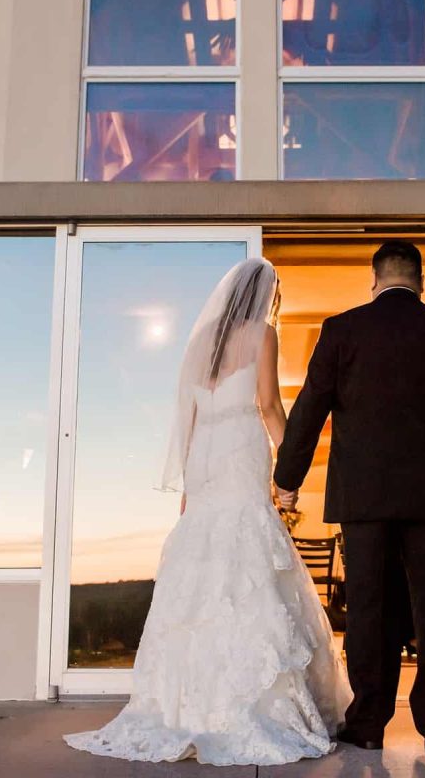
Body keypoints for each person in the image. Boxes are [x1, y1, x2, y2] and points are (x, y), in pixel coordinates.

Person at [63, 257, 352, 765]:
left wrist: (187, 494)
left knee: (202, 557)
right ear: (264, 296)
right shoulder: (262, 335)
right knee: (250, 556)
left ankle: (187, 702)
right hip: (241, 448)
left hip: (205, 459)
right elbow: (268, 406)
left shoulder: (199, 345)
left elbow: (188, 421)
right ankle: (247, 703)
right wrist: (292, 470)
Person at [274, 241, 425, 752]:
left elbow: (310, 408)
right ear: (420, 281)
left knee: (369, 608)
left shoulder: (342, 330)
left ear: (374, 280)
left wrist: (288, 480)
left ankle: (368, 724)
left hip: (363, 497)